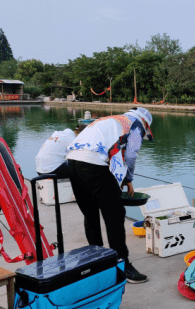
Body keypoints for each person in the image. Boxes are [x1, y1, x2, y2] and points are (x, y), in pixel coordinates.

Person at [66, 107, 154, 284]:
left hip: (72, 161)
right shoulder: (136, 125)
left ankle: (96, 262)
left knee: (90, 214)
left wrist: (121, 179)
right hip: (93, 164)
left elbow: (112, 153)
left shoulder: (111, 120)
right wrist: (128, 178)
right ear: (145, 123)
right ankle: (123, 266)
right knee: (115, 215)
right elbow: (130, 155)